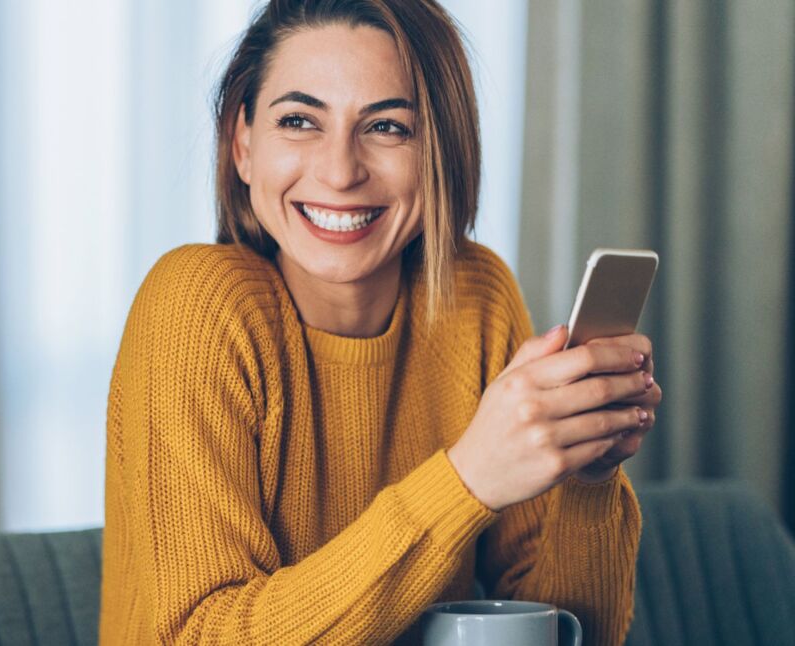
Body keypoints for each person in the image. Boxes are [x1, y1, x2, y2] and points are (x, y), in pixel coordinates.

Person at [100, 1, 661, 644]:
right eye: (299, 120)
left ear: (440, 152)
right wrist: (466, 480)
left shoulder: (473, 299)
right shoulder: (195, 307)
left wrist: (587, 473)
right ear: (243, 144)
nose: (340, 171)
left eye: (388, 128)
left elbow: (562, 630)